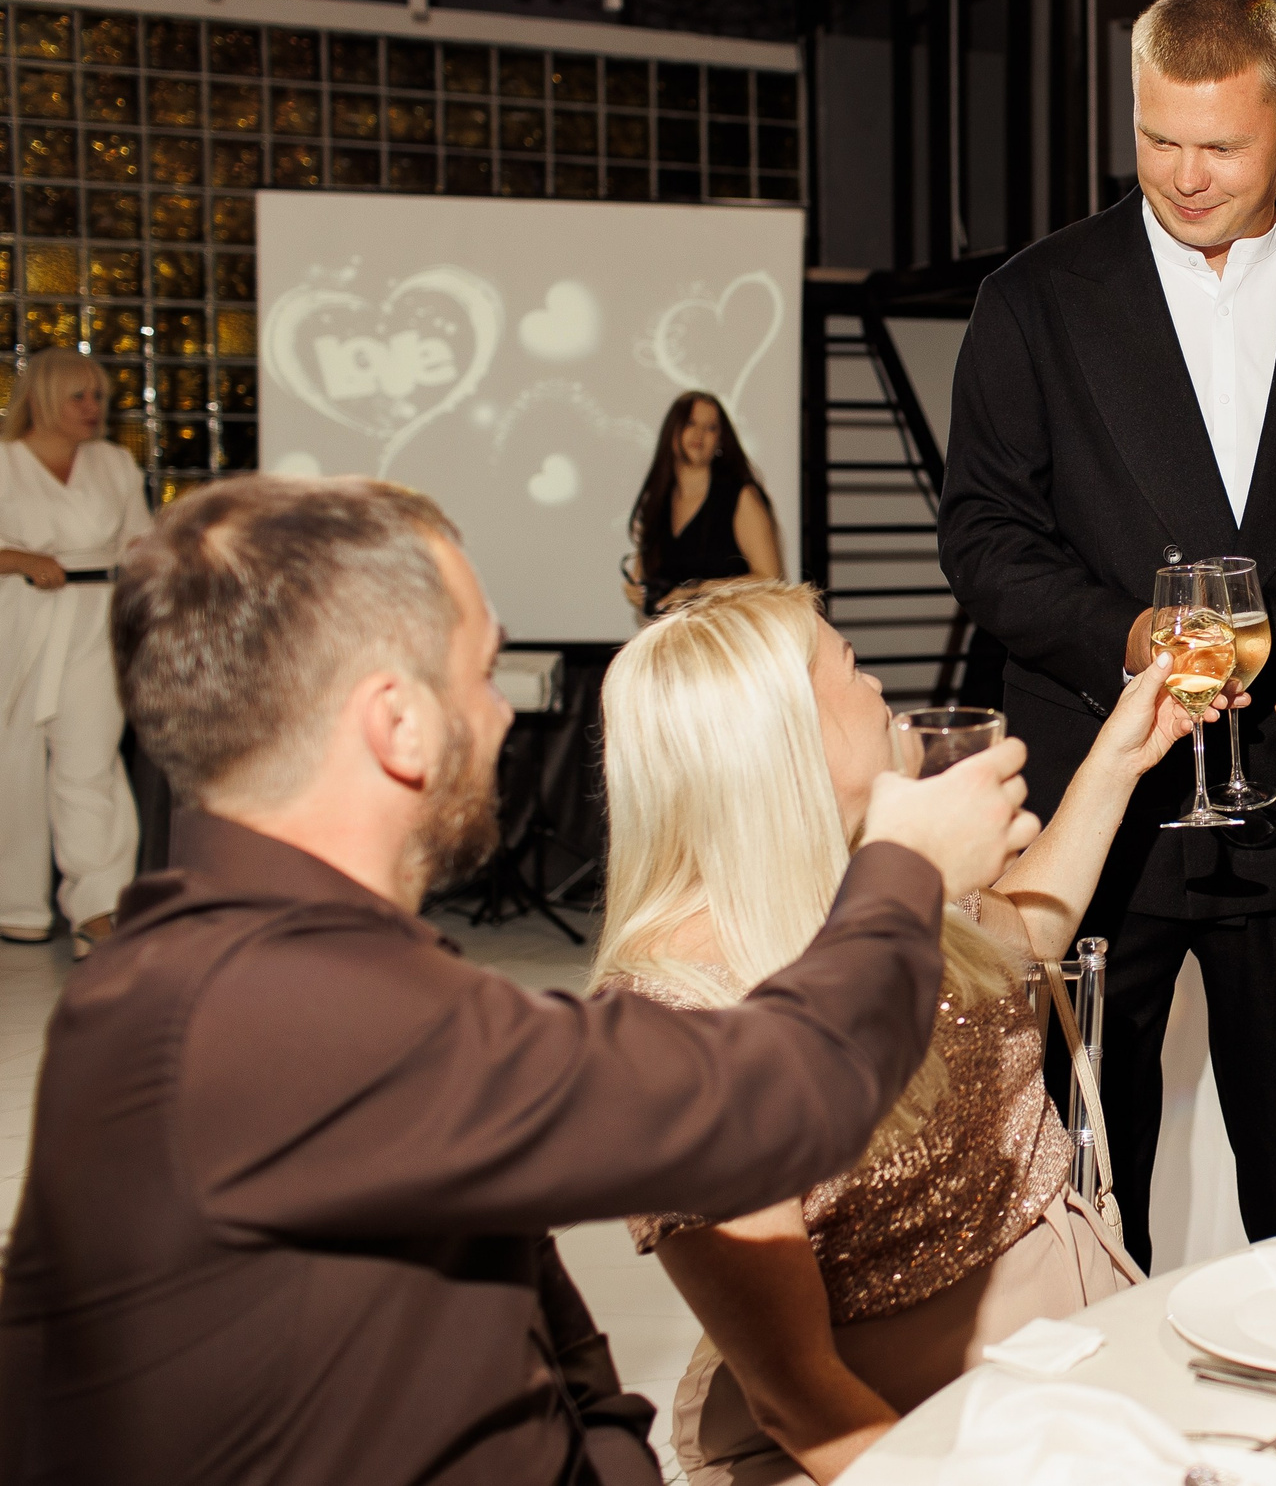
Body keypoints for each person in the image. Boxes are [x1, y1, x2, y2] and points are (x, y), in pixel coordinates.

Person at [0, 474, 1036, 1486]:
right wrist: (906, 866)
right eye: (484, 673)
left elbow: (529, 1312)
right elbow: (774, 1098)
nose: (502, 718)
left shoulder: (253, 970)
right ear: (397, 723)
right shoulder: (271, 1017)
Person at [939, 0, 1276, 1267]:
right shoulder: (1033, 301)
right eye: (1157, 139)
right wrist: (1128, 638)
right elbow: (983, 539)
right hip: (1093, 815)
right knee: (1062, 1183)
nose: (1184, 176)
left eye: (1221, 146)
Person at [592, 583, 1209, 1484]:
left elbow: (1025, 941)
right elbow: (798, 1395)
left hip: (1069, 1322)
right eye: (848, 665)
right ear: (781, 735)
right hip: (877, 1421)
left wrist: (1121, 754)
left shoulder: (878, 860)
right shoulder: (670, 1019)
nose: (877, 681)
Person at [0, 348, 151, 956]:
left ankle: (99, 905)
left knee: (89, 762)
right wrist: (21, 560)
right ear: (42, 398)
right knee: (13, 765)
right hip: (16, 615)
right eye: (79, 396)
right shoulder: (4, 464)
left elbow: (139, 538)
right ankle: (18, 904)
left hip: (96, 619)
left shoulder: (113, 463)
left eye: (99, 397)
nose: (94, 409)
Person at [626, 389, 783, 617]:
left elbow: (770, 580)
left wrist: (699, 591)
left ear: (720, 440)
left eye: (711, 428)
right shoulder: (657, 501)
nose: (699, 434)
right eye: (691, 423)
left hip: (730, 638)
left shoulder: (740, 497)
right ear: (672, 431)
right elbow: (642, 575)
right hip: (674, 642)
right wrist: (634, 591)